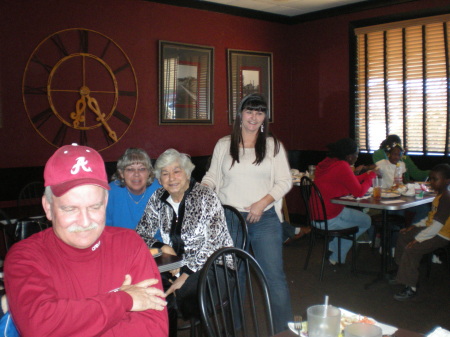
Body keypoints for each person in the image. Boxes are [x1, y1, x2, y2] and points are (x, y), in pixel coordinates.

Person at [4, 144, 168, 337]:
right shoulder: (24, 257)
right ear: (48, 207)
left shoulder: (130, 244)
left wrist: (73, 322)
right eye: (70, 209)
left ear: (105, 203)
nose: (85, 221)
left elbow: (154, 330)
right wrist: (123, 300)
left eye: (94, 207)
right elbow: (39, 328)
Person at [202, 93, 293, 333]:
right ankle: (234, 329)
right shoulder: (224, 144)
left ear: (265, 118)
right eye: (249, 111)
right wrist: (203, 190)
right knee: (234, 278)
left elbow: (284, 182)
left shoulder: (273, 146)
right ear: (240, 115)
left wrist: (262, 203)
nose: (254, 117)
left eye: (259, 112)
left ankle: (284, 331)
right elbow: (212, 176)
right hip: (230, 219)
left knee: (274, 278)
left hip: (264, 219)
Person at [136, 148, 233, 337]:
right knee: (153, 289)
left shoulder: (205, 196)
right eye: (165, 173)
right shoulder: (158, 198)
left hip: (215, 266)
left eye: (176, 171)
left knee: (181, 294)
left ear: (187, 172)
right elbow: (140, 233)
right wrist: (162, 246)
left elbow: (212, 244)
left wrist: (186, 274)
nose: (171, 178)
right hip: (174, 266)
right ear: (159, 179)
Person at [391, 163, 450, 301]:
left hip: (442, 235)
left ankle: (410, 287)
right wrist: (415, 226)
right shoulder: (440, 195)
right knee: (403, 235)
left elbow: (437, 225)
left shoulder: (446, 198)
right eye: (430, 179)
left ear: (447, 181)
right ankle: (403, 273)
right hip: (433, 229)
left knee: (413, 248)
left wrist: (418, 239)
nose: (431, 182)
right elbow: (430, 218)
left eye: (435, 179)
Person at [314, 138, 377, 265]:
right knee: (365, 222)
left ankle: (333, 247)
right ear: (349, 156)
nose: (357, 157)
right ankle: (336, 252)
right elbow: (359, 192)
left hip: (317, 215)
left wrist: (366, 175)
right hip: (329, 218)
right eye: (357, 154)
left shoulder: (329, 163)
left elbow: (349, 180)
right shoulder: (342, 166)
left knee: (365, 219)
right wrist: (370, 177)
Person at [106, 148, 162, 240]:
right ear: (121, 173)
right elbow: (105, 231)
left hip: (155, 247)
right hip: (120, 246)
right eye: (130, 169)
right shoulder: (110, 192)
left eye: (142, 169)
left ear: (149, 172)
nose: (136, 174)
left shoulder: (159, 190)